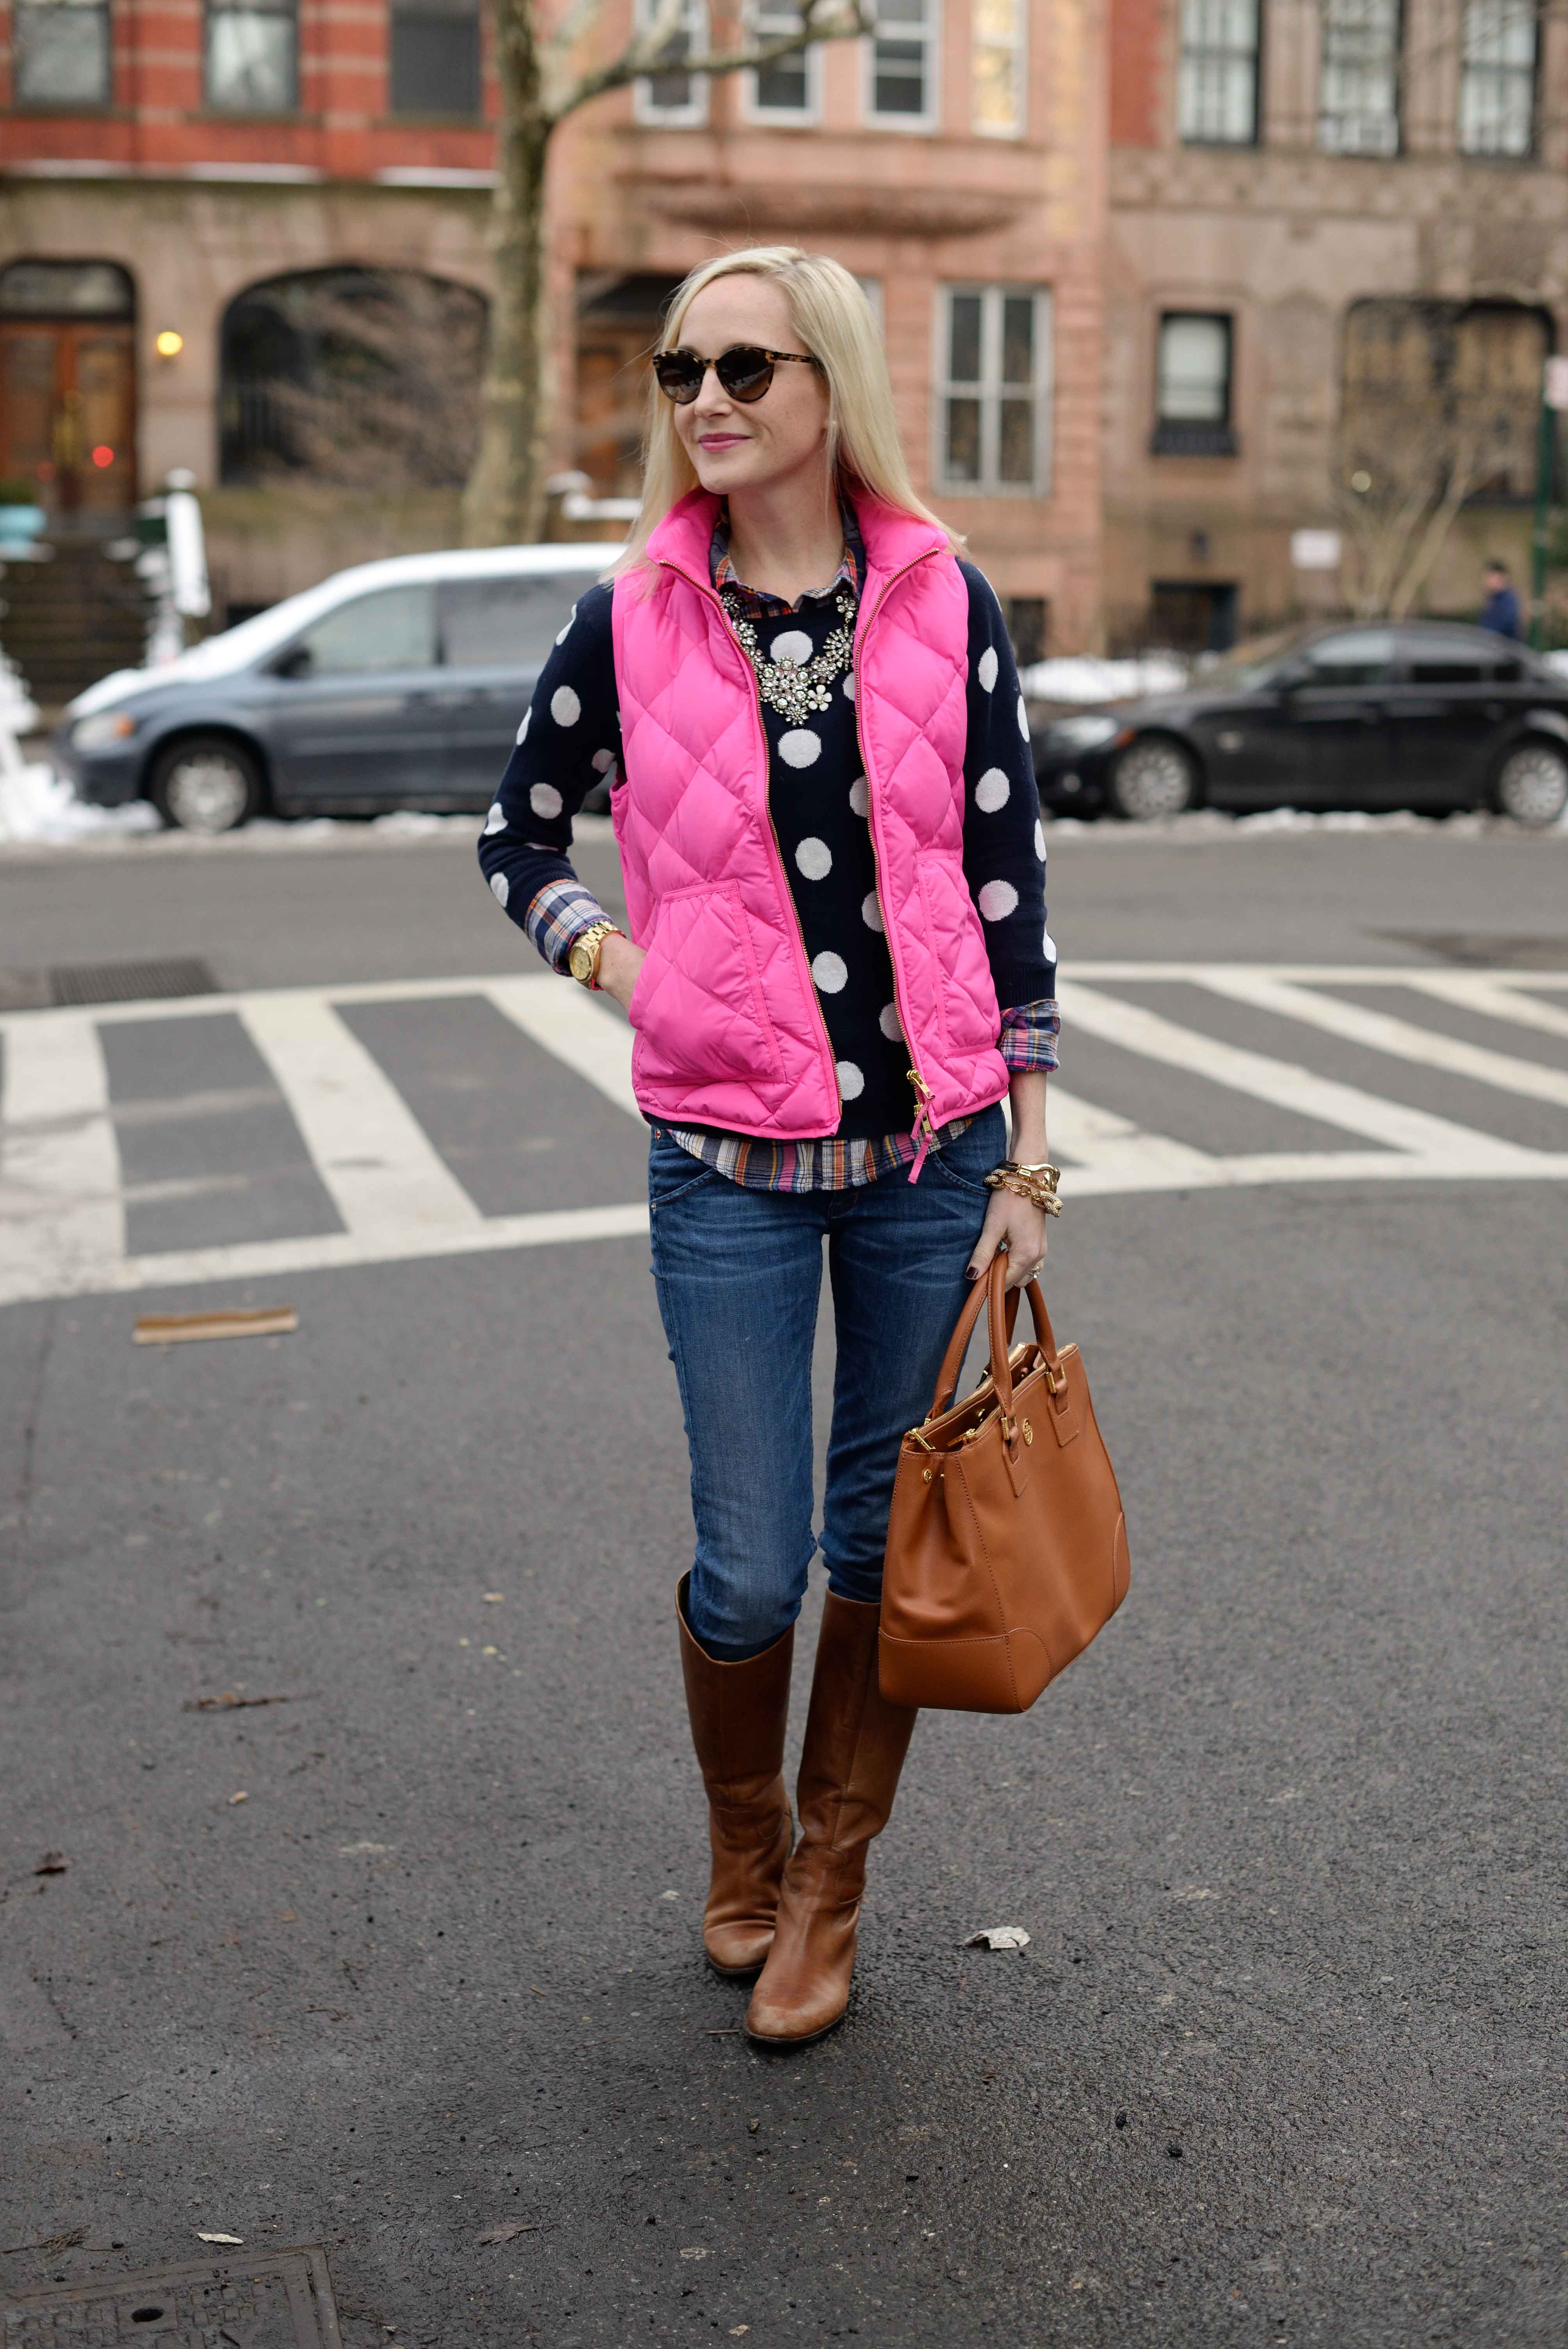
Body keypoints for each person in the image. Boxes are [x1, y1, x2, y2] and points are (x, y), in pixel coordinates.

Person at [479, 247, 1059, 2046]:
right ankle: (738, 1833)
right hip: (721, 1166)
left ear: (831, 385)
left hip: (930, 1164)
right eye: (679, 368)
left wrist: (1029, 1166)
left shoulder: (944, 601)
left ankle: (826, 1877)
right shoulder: (628, 617)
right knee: (746, 1560)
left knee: (874, 1547)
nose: (704, 396)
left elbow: (1008, 889)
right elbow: (517, 835)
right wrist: (616, 961)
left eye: (743, 362)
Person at [1480, 560, 1522, 640]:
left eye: (1490, 577)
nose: (1487, 581)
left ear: (1500, 577)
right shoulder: (1493, 598)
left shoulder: (1508, 601)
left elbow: (1500, 627)